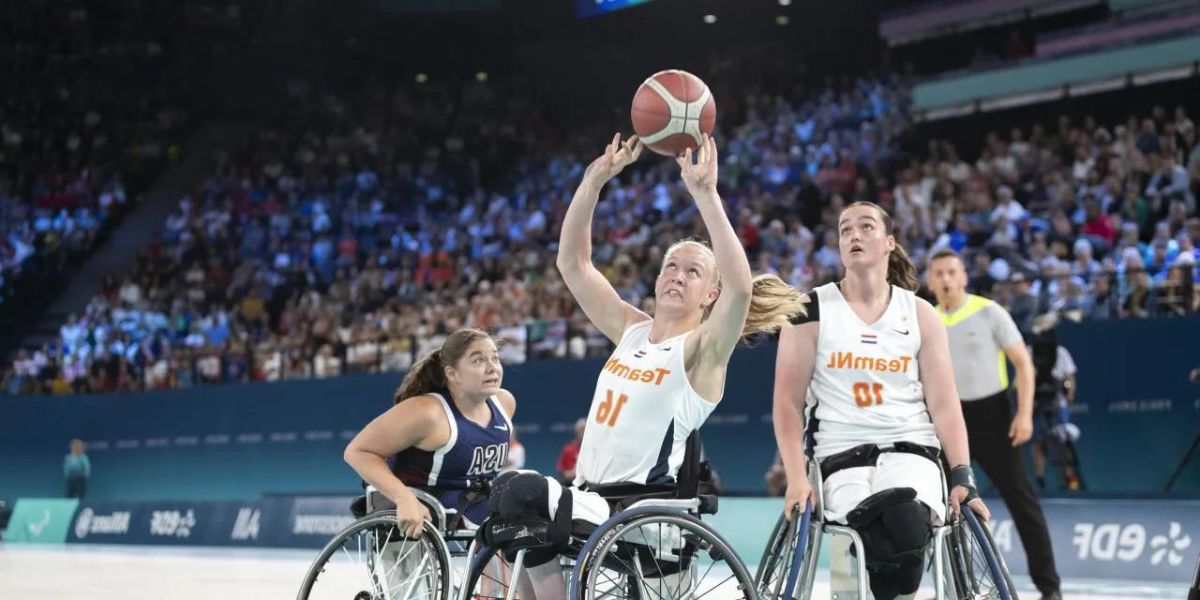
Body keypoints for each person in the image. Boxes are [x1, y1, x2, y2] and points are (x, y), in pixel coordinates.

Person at [490, 133, 805, 600]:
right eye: (670, 266)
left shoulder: (703, 352)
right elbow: (572, 264)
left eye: (692, 271)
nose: (677, 274)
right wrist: (594, 181)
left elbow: (741, 289)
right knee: (504, 497)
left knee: (523, 495)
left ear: (710, 295)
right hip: (590, 500)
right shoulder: (632, 331)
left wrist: (705, 194)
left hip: (642, 514)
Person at [773, 202, 989, 600]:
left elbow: (944, 403)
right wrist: (796, 477)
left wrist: (962, 476)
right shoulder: (810, 310)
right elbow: (787, 403)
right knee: (893, 530)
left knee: (903, 521)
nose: (853, 235)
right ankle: (882, 521)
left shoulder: (920, 313)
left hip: (913, 452)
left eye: (866, 227)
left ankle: (886, 519)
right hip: (840, 458)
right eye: (845, 230)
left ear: (889, 242)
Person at [926, 248, 1062, 600]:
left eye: (952, 272)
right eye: (938, 273)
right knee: (942, 503)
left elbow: (1024, 364)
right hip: (948, 417)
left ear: (964, 277)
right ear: (929, 280)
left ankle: (1050, 588)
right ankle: (957, 584)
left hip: (995, 416)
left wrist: (1025, 413)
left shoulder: (989, 312)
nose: (945, 279)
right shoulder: (927, 320)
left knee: (1021, 500)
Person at [343, 328, 516, 537]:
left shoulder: (504, 403)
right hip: (418, 506)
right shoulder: (428, 412)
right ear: (452, 374)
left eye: (495, 359)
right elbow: (358, 451)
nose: (492, 368)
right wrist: (403, 498)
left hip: (472, 503)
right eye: (478, 361)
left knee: (523, 507)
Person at [555, 418, 585, 484]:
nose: (582, 433)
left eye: (584, 429)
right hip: (570, 484)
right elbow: (561, 472)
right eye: (580, 430)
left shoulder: (593, 450)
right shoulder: (568, 449)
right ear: (576, 432)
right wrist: (574, 473)